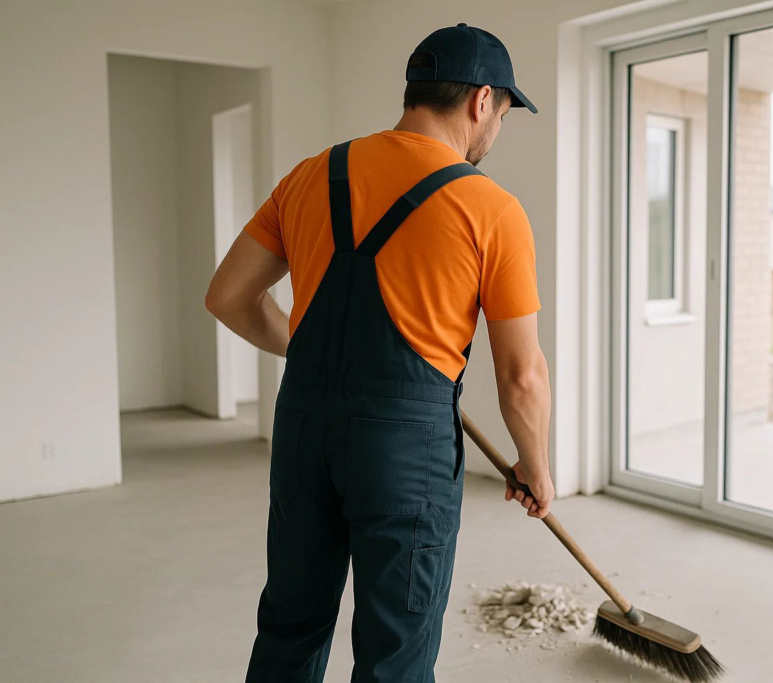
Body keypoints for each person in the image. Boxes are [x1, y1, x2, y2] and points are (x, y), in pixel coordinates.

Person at [204, 21, 554, 683]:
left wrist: (307, 354)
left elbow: (227, 296)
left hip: (304, 425)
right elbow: (522, 374)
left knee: (290, 622)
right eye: (504, 114)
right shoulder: (492, 208)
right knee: (396, 647)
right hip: (406, 450)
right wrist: (533, 466)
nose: (497, 129)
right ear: (483, 100)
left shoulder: (310, 176)